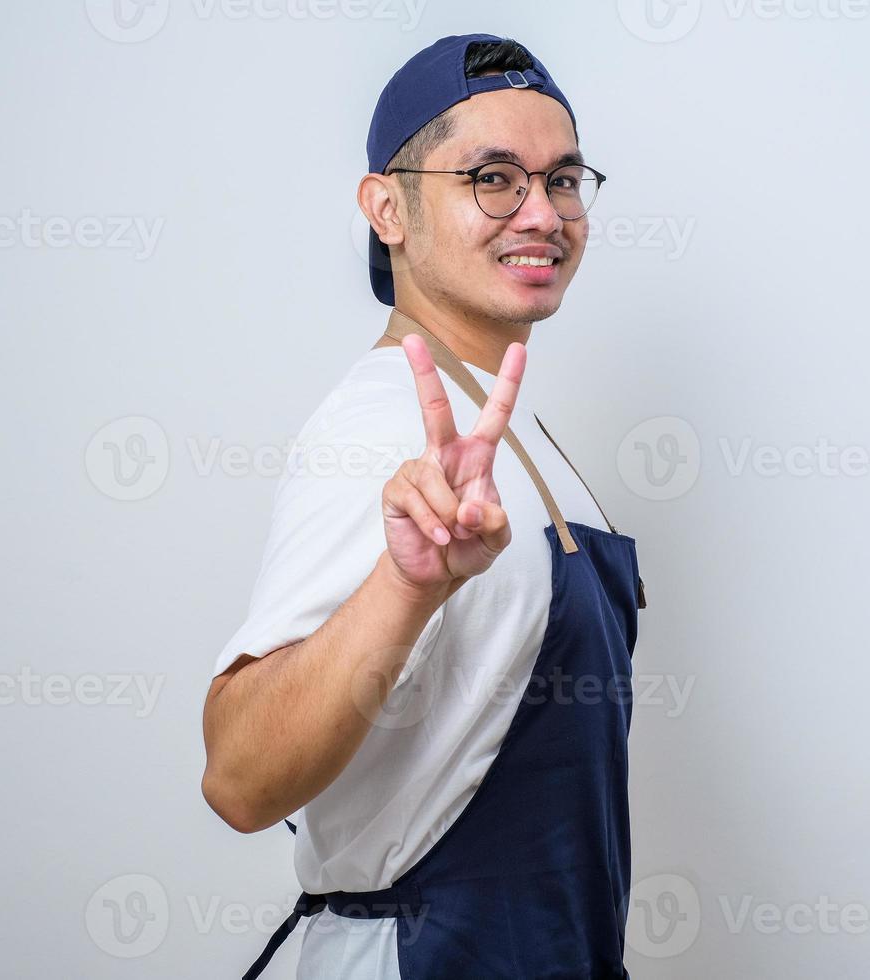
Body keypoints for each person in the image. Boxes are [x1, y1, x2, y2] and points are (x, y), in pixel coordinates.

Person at [201, 32, 646, 979]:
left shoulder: (500, 421)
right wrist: (404, 590)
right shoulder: (381, 427)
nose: (542, 213)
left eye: (563, 180)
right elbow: (238, 776)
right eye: (492, 178)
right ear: (386, 208)